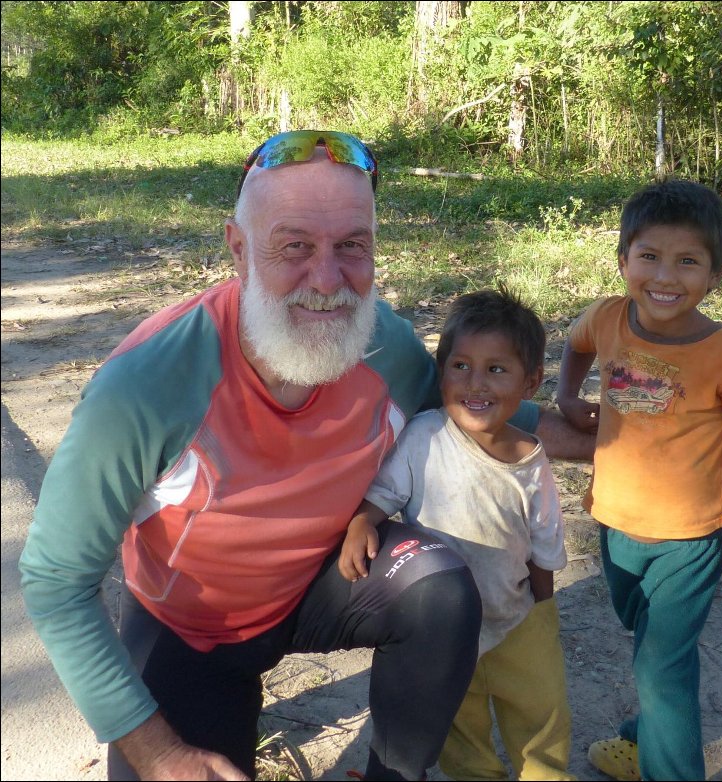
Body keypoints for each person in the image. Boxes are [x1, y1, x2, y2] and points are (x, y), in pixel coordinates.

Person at [18, 130, 593, 782]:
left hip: (324, 586)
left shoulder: (381, 344)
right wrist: (159, 753)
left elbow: (486, 413)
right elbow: (56, 583)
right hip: (193, 632)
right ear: (238, 249)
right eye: (294, 246)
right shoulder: (147, 387)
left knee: (442, 589)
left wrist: (621, 443)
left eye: (352, 246)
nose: (327, 280)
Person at [556, 179, 722, 781]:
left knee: (661, 664)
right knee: (644, 635)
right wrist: (567, 394)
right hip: (615, 523)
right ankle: (643, 740)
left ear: (714, 276)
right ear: (624, 260)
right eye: (649, 256)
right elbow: (576, 344)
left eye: (687, 261)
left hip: (691, 538)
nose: (664, 276)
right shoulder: (608, 317)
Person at [340, 286, 575, 781]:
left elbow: (545, 541)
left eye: (496, 369)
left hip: (518, 619)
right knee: (459, 727)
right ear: (440, 369)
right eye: (460, 365)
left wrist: (542, 605)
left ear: (530, 382)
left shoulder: (532, 462)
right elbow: (385, 492)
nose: (476, 383)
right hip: (443, 626)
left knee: (540, 715)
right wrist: (363, 520)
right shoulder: (424, 435)